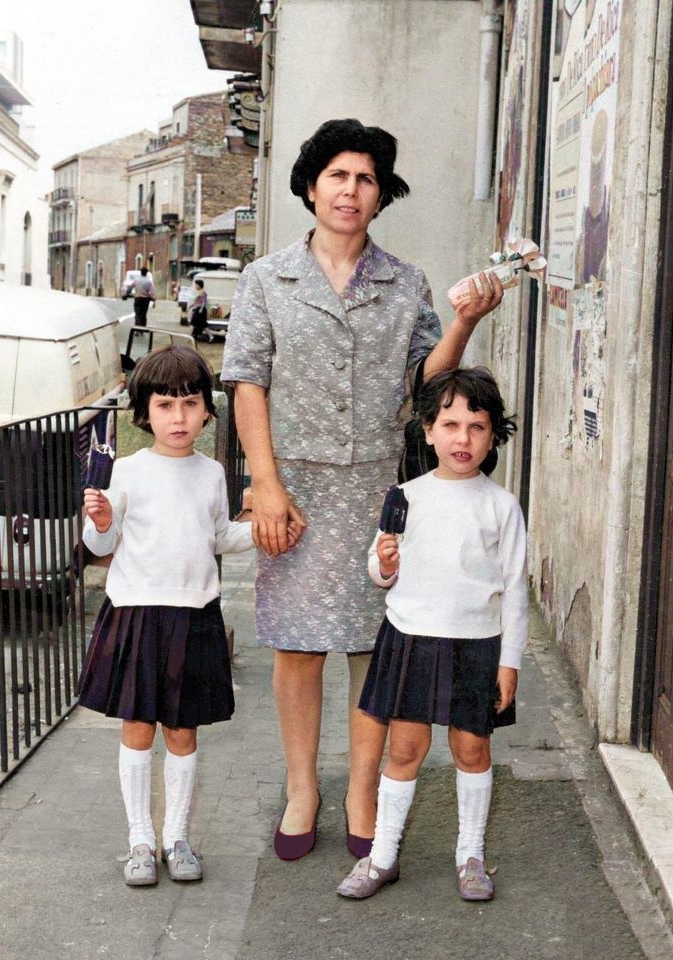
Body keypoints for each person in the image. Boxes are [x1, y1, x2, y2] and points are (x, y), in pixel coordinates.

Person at [220, 118, 504, 861]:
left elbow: (427, 383)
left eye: (366, 178)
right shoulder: (265, 280)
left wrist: (466, 320)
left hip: (380, 486)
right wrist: (266, 485)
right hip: (296, 485)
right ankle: (303, 787)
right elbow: (247, 383)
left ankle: (363, 787)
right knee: (296, 646)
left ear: (381, 196)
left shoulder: (404, 282)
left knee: (375, 645)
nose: (351, 190)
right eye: (338, 176)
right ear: (311, 187)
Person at [336, 366, 527, 902]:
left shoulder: (501, 505)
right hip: (412, 637)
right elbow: (379, 570)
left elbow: (514, 590)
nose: (462, 438)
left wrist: (508, 661)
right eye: (449, 424)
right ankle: (383, 855)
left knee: (471, 748)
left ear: (493, 435)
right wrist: (385, 562)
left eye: (477, 426)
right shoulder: (406, 496)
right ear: (427, 430)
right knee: (405, 749)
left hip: (476, 646)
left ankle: (471, 855)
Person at [78, 344, 254, 887]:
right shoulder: (127, 472)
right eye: (164, 405)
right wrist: (102, 519)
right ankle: (139, 840)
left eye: (190, 404)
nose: (178, 418)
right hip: (137, 615)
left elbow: (220, 536)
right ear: (144, 413)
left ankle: (177, 837)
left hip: (194, 616)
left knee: (182, 731)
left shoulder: (212, 473)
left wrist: (269, 536)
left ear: (207, 411)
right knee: (137, 727)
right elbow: (97, 541)